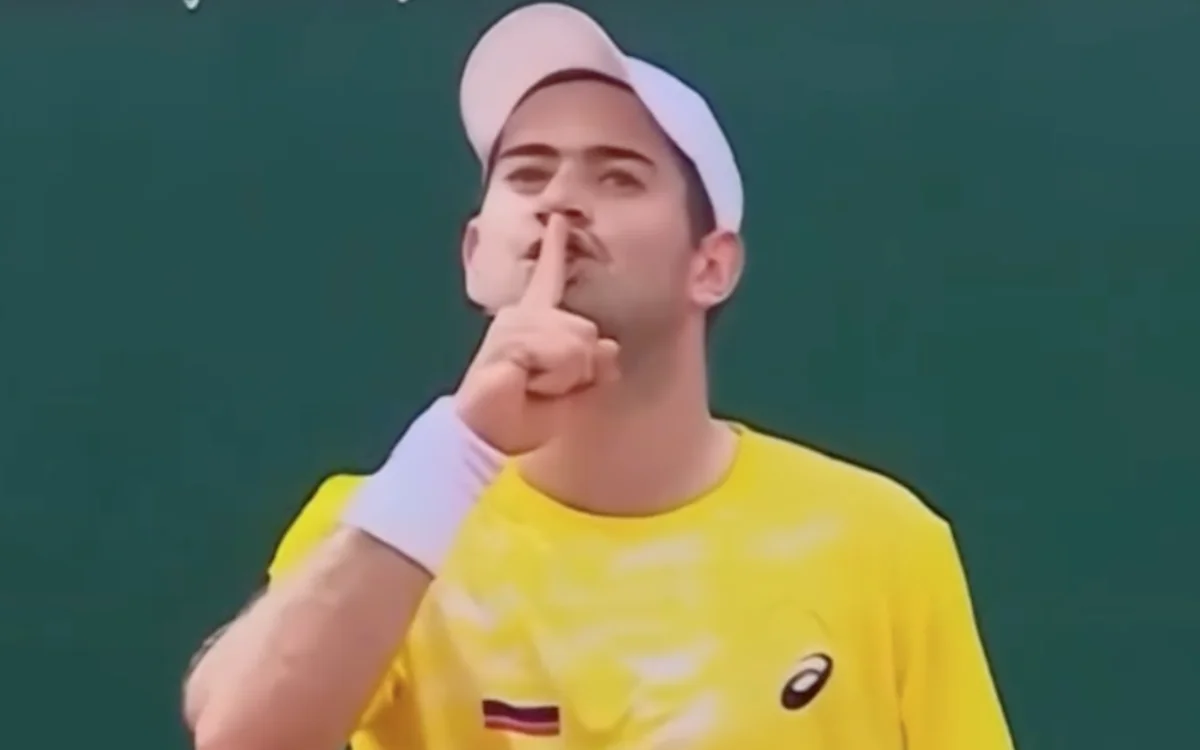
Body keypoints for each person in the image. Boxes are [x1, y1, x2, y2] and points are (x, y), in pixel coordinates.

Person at [181, 3, 1015, 749]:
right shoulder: (385, 524)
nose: (561, 203)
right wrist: (460, 446)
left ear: (711, 265)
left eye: (618, 175)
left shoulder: (878, 542)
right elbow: (240, 737)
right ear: (475, 255)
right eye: (528, 174)